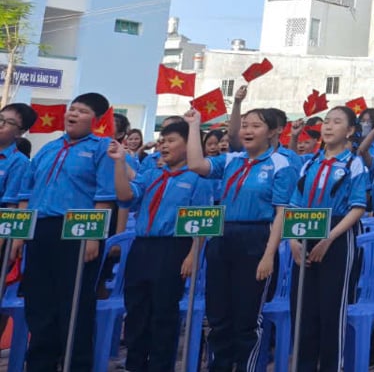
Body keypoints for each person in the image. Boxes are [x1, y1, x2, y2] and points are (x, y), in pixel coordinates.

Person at [186, 106, 296, 372]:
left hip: (257, 239)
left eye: (255, 126)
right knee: (218, 316)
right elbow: (196, 164)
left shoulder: (281, 164)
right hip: (222, 237)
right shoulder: (231, 160)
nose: (247, 130)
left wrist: (269, 254)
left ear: (271, 132)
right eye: (245, 125)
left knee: (247, 320)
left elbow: (282, 212)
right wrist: (193, 125)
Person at [14, 93, 117, 372]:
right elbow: (26, 192)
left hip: (77, 232)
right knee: (39, 301)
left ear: (95, 120)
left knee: (74, 304)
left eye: (82, 111)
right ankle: (39, 364)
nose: (73, 114)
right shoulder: (48, 148)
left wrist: (94, 235)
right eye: (72, 109)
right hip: (41, 230)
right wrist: (21, 234)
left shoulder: (102, 148)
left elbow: (105, 195)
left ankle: (76, 364)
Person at [111, 120, 207, 372]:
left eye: (172, 141)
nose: (164, 146)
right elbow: (125, 197)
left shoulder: (197, 178)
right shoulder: (151, 173)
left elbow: (202, 221)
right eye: (162, 141)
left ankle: (160, 365)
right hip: (142, 247)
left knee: (163, 312)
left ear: (189, 146)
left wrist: (192, 255)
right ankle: (135, 364)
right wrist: (120, 162)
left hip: (173, 247)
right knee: (136, 309)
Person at [288, 106, 368, 371]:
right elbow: (295, 203)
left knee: (331, 312)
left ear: (351, 131)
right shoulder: (310, 162)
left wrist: (329, 239)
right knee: (303, 312)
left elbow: (358, 207)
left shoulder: (353, 164)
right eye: (326, 122)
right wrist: (293, 242)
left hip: (338, 236)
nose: (329, 127)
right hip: (304, 232)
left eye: (337, 122)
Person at [0, 103, 36, 206]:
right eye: (0, 118)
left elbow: (11, 207)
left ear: (19, 133)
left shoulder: (19, 162)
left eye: (9, 123)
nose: (1, 124)